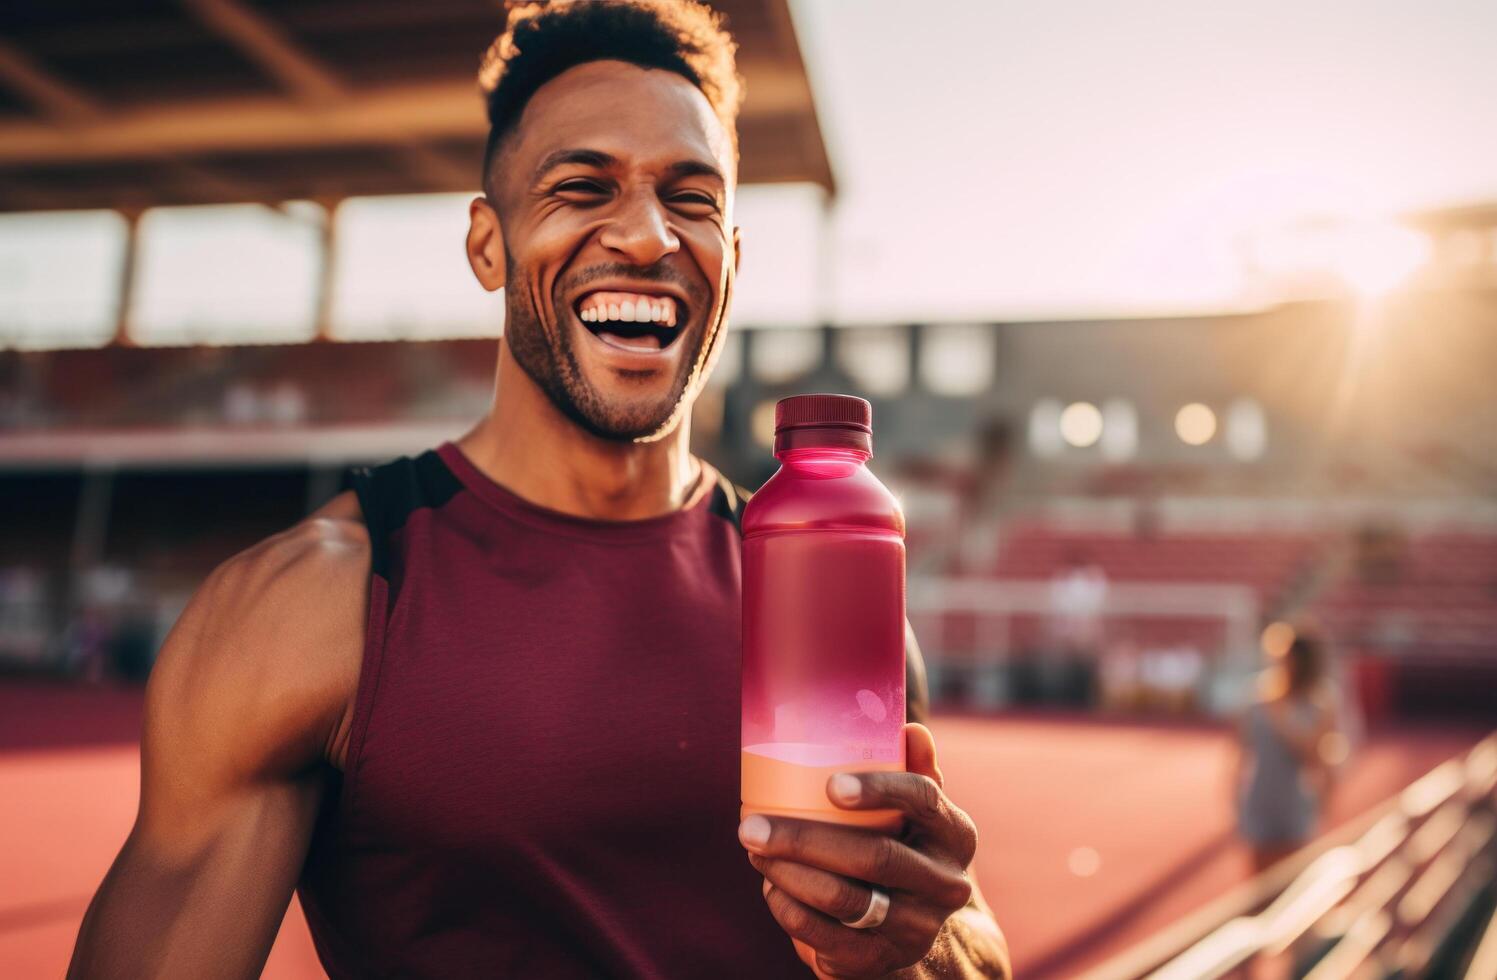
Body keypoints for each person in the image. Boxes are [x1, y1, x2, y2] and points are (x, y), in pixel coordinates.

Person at [67, 3, 1010, 977]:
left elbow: (964, 940)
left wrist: (917, 943)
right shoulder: (308, 606)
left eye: (691, 198)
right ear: (487, 244)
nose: (647, 236)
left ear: (734, 258)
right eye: (581, 186)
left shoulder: (835, 595)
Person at [1231, 631, 1346, 873]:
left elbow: (1315, 755)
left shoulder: (1319, 703)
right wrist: (1234, 800)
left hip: (1295, 801)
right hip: (1261, 797)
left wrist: (1281, 715)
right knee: (1260, 882)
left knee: (1293, 880)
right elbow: (1240, 753)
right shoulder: (1256, 698)